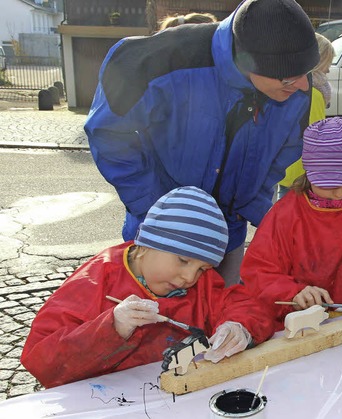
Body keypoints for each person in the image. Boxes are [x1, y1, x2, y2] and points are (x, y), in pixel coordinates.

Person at [84, 0, 320, 286]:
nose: (304, 87)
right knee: (152, 324)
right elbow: (109, 134)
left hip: (228, 236)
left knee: (223, 318)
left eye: (306, 73)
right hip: (162, 242)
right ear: (248, 62)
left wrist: (254, 207)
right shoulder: (159, 61)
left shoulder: (294, 83)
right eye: (289, 78)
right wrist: (158, 213)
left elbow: (284, 153)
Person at [20, 187, 275, 388]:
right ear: (146, 244)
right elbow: (41, 361)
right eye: (183, 260)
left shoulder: (203, 285)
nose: (189, 277)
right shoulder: (94, 282)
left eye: (202, 269)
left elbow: (247, 306)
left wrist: (240, 326)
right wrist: (111, 327)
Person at [241, 117, 342, 329]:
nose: (339, 193)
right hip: (298, 328)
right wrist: (293, 292)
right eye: (328, 185)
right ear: (310, 176)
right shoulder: (285, 215)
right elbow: (258, 271)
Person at [277, 33, 335, 199]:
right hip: (303, 170)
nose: (329, 69)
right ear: (318, 60)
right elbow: (316, 135)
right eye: (328, 62)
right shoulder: (314, 92)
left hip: (285, 165)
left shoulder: (289, 85)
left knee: (285, 212)